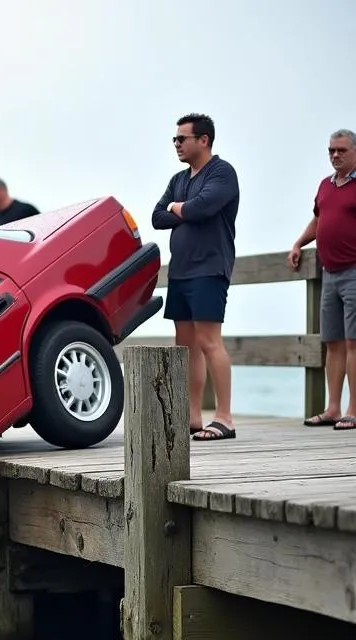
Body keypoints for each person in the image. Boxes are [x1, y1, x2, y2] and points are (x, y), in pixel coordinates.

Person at [151, 112, 240, 441]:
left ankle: (225, 417)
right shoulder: (178, 179)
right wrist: (180, 207)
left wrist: (179, 208)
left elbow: (202, 208)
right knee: (185, 346)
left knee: (209, 341)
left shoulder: (222, 172)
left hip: (209, 268)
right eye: (174, 139)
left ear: (203, 140)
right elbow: (156, 217)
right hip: (181, 271)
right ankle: (192, 417)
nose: (176, 144)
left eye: (182, 139)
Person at [290, 129, 356, 431]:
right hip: (330, 273)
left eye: (341, 150)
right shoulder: (325, 186)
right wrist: (298, 243)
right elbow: (319, 220)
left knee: (354, 343)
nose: (335, 155)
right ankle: (332, 408)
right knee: (332, 343)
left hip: (354, 271)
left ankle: (353, 409)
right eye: (331, 150)